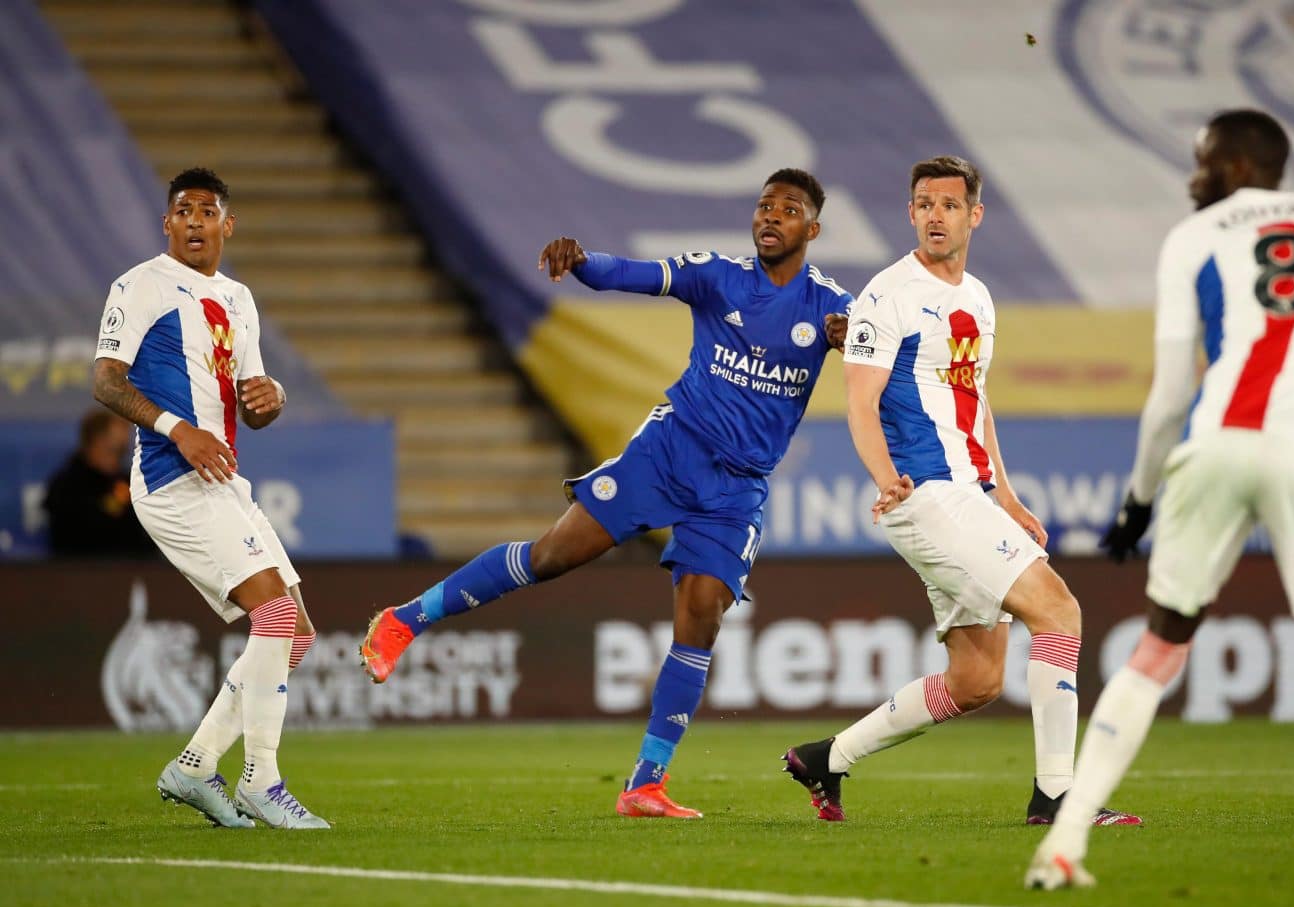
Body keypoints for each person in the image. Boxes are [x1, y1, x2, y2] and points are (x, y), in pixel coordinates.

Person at [360, 169, 852, 818]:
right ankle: (403, 620)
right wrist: (583, 261)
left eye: (787, 209)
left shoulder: (833, 307)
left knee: (702, 613)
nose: (771, 216)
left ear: (812, 228)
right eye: (764, 206)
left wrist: (858, 343)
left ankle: (645, 783)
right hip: (670, 451)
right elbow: (635, 274)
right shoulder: (718, 276)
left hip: (736, 488)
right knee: (552, 556)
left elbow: (886, 360)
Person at [1027, 110, 1294, 891]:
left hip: (1212, 447)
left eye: (1204, 160)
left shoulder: (1194, 237)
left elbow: (1170, 393)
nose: (1194, 176)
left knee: (1156, 649)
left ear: (1241, 165)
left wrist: (1139, 497)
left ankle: (1064, 845)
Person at [779, 156, 1139, 829]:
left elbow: (974, 400)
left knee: (976, 681)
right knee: (1059, 611)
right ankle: (1058, 796)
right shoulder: (888, 295)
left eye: (948, 205)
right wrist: (886, 479)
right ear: (911, 213)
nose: (935, 216)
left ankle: (827, 758)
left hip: (968, 494)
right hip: (927, 494)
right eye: (924, 204)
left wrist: (1006, 495)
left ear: (975, 215)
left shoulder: (977, 297)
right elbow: (860, 402)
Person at [92, 167, 325, 829]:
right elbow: (106, 381)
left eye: (207, 211)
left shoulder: (239, 299)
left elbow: (253, 404)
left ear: (228, 224)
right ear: (167, 223)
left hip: (221, 478)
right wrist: (177, 428)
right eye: (183, 210)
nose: (195, 221)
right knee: (273, 615)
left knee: (296, 633)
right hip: (171, 478)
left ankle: (194, 767)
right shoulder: (140, 285)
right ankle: (262, 781)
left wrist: (273, 399)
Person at [43, 409, 156, 557]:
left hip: (134, 567)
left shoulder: (131, 482)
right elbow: (70, 534)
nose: (129, 432)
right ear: (98, 439)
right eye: (121, 426)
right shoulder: (67, 484)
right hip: (81, 566)